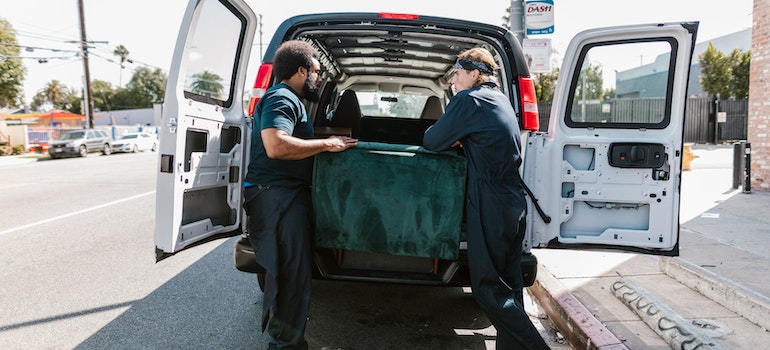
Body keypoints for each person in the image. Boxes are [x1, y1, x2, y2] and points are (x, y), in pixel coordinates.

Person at [423, 48, 549, 350]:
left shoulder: (469, 100)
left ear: (475, 72)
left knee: (488, 290)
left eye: (458, 71)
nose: (454, 78)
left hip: (490, 201)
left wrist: (456, 136)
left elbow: (431, 140)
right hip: (513, 201)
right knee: (510, 286)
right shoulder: (500, 99)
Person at [243, 40, 357, 350]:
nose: (320, 78)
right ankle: (285, 345)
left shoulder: (291, 99)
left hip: (283, 196)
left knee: (292, 277)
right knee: (289, 279)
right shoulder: (282, 98)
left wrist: (327, 140)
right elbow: (276, 145)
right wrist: (325, 144)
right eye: (318, 72)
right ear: (301, 70)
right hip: (276, 198)